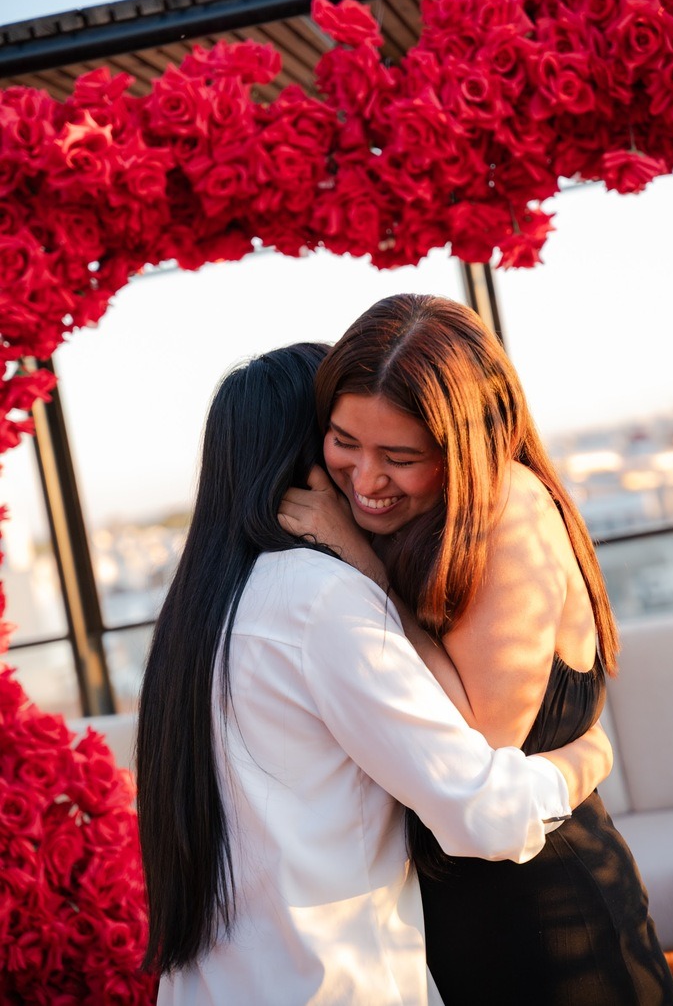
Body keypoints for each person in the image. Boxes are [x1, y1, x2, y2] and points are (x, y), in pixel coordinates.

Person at [136, 341, 613, 1006]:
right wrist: (584, 761)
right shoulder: (318, 597)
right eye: (345, 438)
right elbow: (481, 812)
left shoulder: (192, 616)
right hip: (333, 983)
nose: (365, 470)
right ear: (310, 455)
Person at [279, 295, 673, 1006]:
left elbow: (471, 750)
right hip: (448, 925)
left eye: (399, 457)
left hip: (551, 925)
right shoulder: (409, 518)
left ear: (463, 447)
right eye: (344, 442)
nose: (366, 480)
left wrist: (365, 575)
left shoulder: (509, 512)